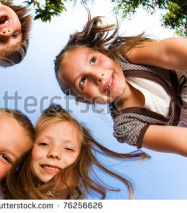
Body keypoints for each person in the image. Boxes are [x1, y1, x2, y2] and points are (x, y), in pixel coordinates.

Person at [54, 11, 187, 157]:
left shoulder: (125, 56)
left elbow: (169, 52)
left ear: (104, 54)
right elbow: (182, 142)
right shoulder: (126, 126)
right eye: (83, 81)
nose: (98, 75)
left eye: (93, 60)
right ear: (83, 99)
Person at [0, 105, 148, 199]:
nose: (54, 153)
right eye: (44, 144)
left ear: (82, 160)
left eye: (68, 148)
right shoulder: (11, 180)